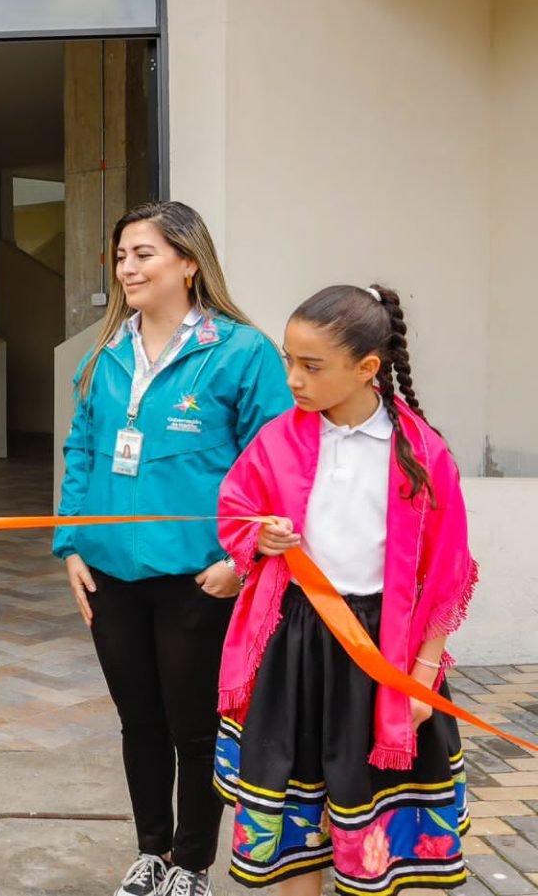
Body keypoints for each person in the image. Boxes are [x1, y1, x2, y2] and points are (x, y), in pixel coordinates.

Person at [53, 201, 292, 896]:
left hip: (199, 577)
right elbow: (81, 452)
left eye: (143, 254)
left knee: (195, 728)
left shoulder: (241, 352)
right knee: (140, 722)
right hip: (110, 574)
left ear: (188, 262)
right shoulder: (105, 354)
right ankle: (151, 851)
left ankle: (192, 864)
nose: (127, 268)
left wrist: (240, 562)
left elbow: (276, 466)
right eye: (120, 256)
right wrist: (72, 544)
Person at [213, 284, 477, 896]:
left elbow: (449, 571)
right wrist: (261, 537)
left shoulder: (421, 452)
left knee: (376, 823)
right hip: (294, 645)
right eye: (289, 361)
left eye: (311, 366)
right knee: (295, 820)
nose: (293, 379)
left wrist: (424, 674)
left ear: (366, 368)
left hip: (383, 653)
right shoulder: (277, 439)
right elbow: (236, 511)